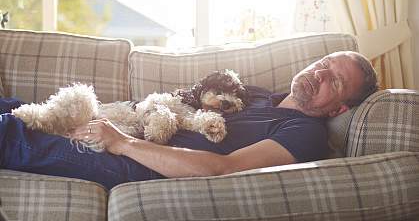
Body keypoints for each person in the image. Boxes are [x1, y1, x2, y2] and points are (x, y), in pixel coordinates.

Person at [0, 51, 378, 190]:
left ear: (337, 110)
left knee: (10, 133)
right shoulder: (261, 94)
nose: (320, 73)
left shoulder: (304, 132)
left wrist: (122, 142)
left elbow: (223, 168)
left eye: (335, 80)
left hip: (133, 162)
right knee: (15, 107)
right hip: (125, 123)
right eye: (324, 63)